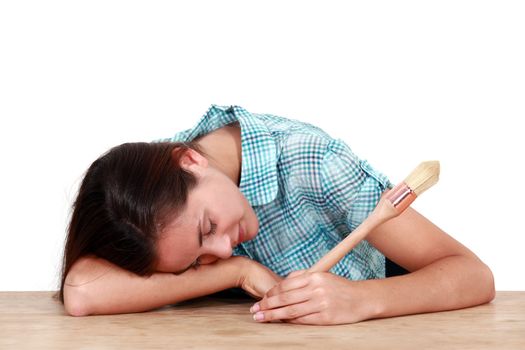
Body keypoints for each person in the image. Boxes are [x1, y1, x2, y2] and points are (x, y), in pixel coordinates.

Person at [57, 104, 495, 325]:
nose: (223, 247)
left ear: (190, 160)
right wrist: (236, 272)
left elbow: (474, 275)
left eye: (209, 227)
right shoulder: (148, 189)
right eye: (195, 261)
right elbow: (81, 292)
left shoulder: (316, 164)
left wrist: (360, 300)